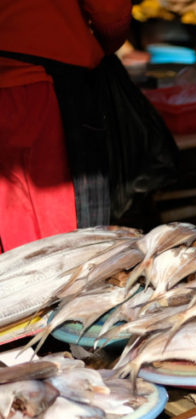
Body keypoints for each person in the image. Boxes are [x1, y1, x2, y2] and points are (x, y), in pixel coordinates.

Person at [0, 0, 132, 252]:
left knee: (9, 211)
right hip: (48, 86)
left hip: (26, 81)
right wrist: (103, 44)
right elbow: (110, 9)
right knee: (62, 231)